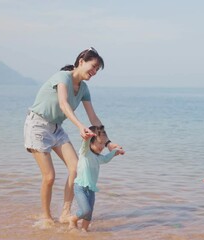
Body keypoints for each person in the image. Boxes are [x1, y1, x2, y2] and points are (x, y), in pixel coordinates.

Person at [24, 47, 122, 225]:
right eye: (92, 67)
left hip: (56, 128)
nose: (93, 72)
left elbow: (93, 117)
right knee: (49, 176)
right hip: (37, 125)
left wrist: (107, 142)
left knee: (76, 168)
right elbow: (63, 103)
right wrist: (79, 126)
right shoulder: (63, 77)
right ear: (81, 62)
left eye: (96, 70)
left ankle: (64, 213)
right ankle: (46, 217)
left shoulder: (84, 88)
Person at [68, 125, 125, 231]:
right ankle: (73, 219)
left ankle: (84, 230)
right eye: (99, 143)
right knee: (85, 210)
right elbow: (85, 145)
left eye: (104, 144)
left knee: (89, 213)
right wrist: (86, 138)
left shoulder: (98, 157)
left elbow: (106, 159)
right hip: (80, 187)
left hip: (91, 189)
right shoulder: (85, 153)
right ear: (91, 142)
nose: (102, 146)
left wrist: (115, 151)